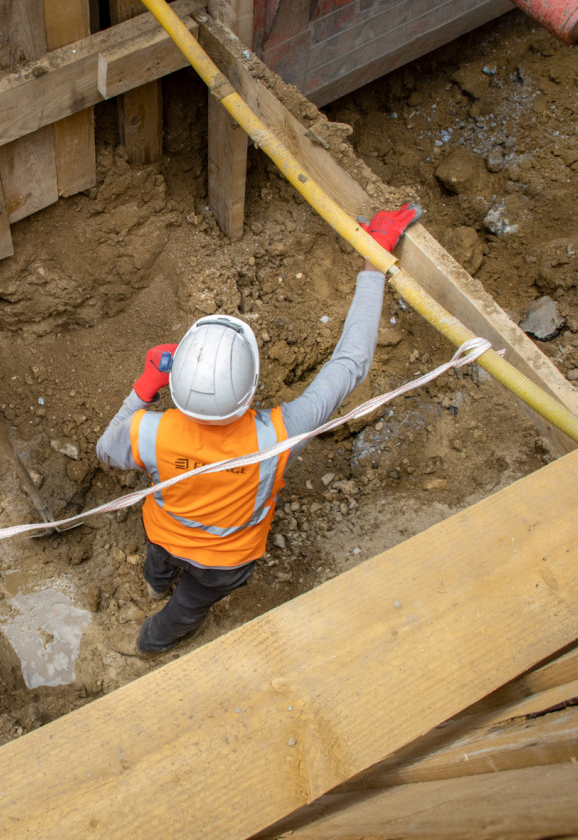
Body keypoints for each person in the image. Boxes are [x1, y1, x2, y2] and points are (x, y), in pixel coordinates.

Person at [95, 205, 422, 657]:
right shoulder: (279, 435)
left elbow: (105, 450)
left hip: (165, 532)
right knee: (188, 608)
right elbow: (351, 364)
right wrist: (373, 265)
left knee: (160, 564)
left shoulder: (147, 432)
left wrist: (143, 387)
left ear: (176, 382)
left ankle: (154, 586)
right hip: (226, 562)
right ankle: (153, 642)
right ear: (250, 389)